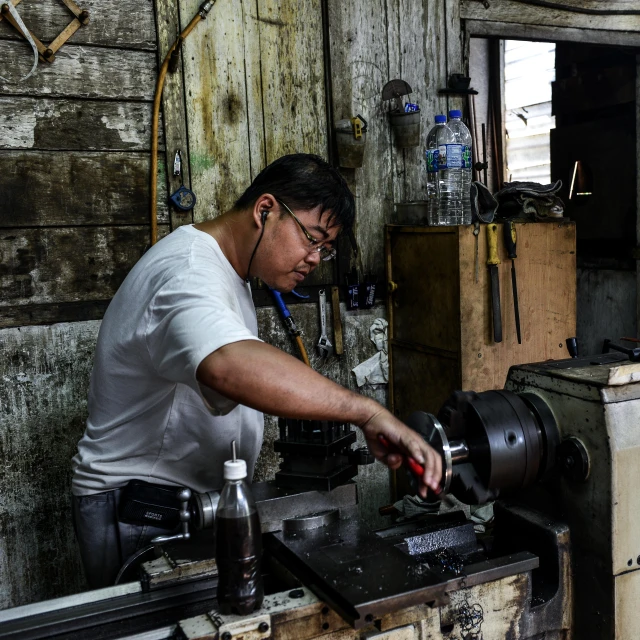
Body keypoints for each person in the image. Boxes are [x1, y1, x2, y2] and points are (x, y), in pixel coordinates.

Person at [71, 153, 442, 588]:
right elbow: (228, 366)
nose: (314, 259)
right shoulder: (188, 273)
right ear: (265, 210)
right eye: (312, 239)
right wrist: (367, 413)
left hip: (185, 503)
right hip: (141, 512)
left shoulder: (228, 273)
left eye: (325, 250)